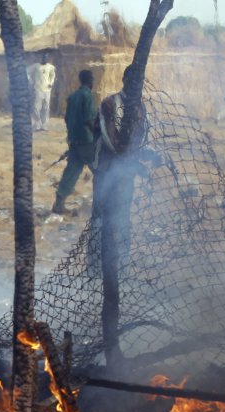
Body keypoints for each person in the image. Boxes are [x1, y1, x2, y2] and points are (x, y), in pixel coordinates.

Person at [90, 64, 150, 366]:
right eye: (134, 79)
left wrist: (139, 160)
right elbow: (112, 141)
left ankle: (119, 261)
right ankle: (97, 263)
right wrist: (132, 160)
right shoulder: (110, 103)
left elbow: (142, 138)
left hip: (125, 175)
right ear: (126, 80)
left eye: (141, 79)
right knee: (101, 218)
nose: (138, 83)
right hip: (106, 171)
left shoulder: (140, 107)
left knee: (122, 218)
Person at [52, 69, 96, 214]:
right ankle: (103, 203)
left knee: (72, 170)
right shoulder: (87, 96)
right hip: (86, 140)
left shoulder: (73, 96)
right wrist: (97, 134)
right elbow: (89, 120)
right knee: (100, 170)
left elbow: (66, 119)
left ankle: (59, 203)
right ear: (90, 81)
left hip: (74, 140)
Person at [29, 53, 56, 131]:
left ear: (48, 58)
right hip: (38, 89)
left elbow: (53, 76)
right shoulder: (36, 66)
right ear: (41, 57)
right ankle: (37, 123)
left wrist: (51, 83)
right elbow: (27, 72)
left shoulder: (51, 67)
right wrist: (31, 82)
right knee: (36, 107)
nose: (44, 58)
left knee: (46, 107)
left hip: (47, 90)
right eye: (43, 57)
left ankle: (44, 124)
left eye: (46, 57)